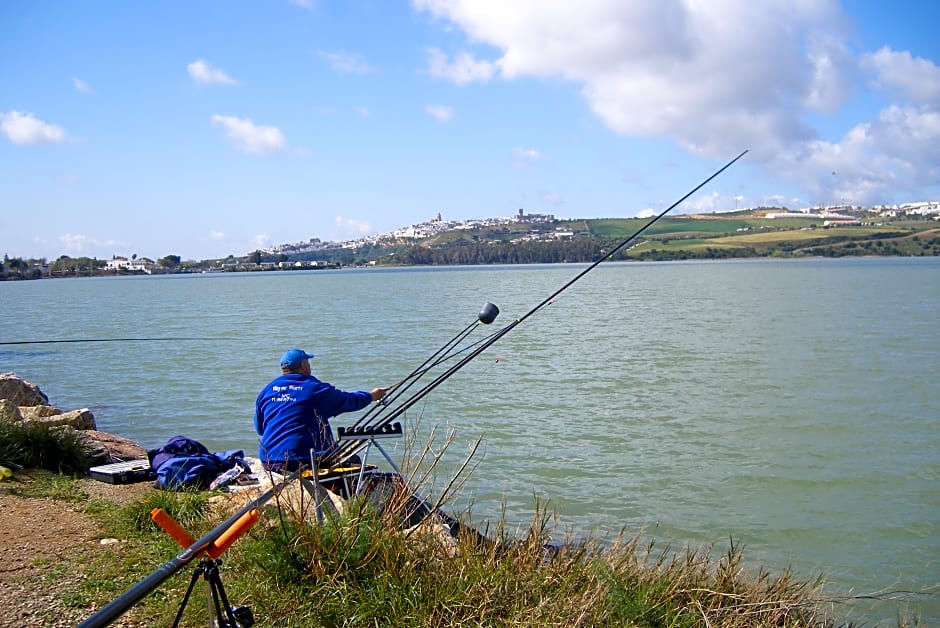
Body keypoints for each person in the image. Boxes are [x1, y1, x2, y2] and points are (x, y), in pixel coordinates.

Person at [254, 348, 388, 472]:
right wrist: (371, 396)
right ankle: (349, 497)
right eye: (308, 362)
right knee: (353, 462)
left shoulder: (266, 391)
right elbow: (347, 401)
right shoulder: (315, 389)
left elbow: (260, 429)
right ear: (303, 365)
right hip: (301, 460)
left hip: (269, 460)